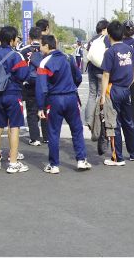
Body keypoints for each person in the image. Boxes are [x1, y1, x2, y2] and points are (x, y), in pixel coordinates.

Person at [36, 35, 91, 174]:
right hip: (71, 97)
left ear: (47, 46)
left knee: (53, 132)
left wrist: (40, 106)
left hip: (54, 100)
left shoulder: (44, 62)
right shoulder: (68, 58)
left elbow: (41, 88)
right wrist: (71, 87)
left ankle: (54, 165)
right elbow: (77, 77)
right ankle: (81, 160)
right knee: (77, 129)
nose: (40, 48)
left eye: (41, 45)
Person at [100, 20, 134, 166]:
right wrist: (129, 83)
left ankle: (117, 157)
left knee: (114, 124)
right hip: (125, 89)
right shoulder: (129, 49)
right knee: (128, 122)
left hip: (113, 89)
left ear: (109, 34)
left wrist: (103, 95)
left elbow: (106, 75)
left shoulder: (110, 52)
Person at [0, 26, 30, 173]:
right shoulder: (16, 55)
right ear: (13, 40)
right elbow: (23, 75)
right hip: (13, 94)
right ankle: (13, 163)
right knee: (14, 127)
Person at [19, 26, 48, 146]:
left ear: (29, 37)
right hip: (43, 82)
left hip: (29, 83)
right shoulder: (45, 49)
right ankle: (46, 137)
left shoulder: (24, 51)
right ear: (41, 37)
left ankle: (35, 138)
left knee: (31, 111)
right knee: (45, 109)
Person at [85, 19, 110, 154]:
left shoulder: (93, 39)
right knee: (101, 96)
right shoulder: (105, 39)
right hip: (101, 70)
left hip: (91, 69)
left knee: (91, 94)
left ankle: (88, 119)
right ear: (105, 29)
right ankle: (97, 122)